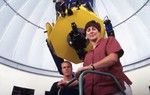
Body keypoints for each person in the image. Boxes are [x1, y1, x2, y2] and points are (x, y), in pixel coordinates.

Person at [76, 20, 132, 95]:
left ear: (99, 32)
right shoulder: (87, 55)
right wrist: (74, 81)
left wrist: (90, 67)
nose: (91, 31)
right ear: (86, 35)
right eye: (88, 30)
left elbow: (113, 58)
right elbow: (87, 76)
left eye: (94, 29)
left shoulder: (109, 40)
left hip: (115, 89)